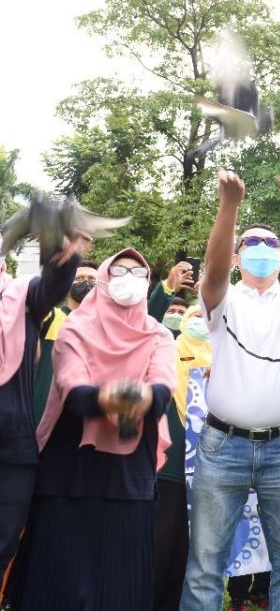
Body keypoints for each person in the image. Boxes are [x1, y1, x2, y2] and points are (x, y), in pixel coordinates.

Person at [180, 163, 280, 611]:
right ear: (238, 257)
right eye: (251, 243)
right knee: (205, 564)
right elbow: (214, 266)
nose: (262, 248)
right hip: (224, 446)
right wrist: (229, 208)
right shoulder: (222, 299)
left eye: (271, 243)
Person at [13, 248, 176, 609]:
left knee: (120, 588)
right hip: (68, 474)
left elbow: (163, 388)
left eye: (138, 273)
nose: (129, 279)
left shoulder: (159, 336)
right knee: (54, 586)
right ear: (103, 278)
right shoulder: (75, 329)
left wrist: (141, 400)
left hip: (128, 479)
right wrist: (114, 399)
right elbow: (75, 390)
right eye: (119, 271)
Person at [0, 238, 82, 601]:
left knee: (4, 543)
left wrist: (65, 252)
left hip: (12, 451)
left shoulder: (20, 297)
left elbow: (56, 283)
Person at [154, 304, 212, 611]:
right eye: (194, 317)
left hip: (209, 468)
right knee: (164, 537)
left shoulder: (223, 354)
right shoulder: (169, 352)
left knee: (190, 546)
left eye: (205, 317)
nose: (200, 323)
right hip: (171, 464)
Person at [32, 259, 96, 420]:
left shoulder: (108, 327)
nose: (86, 282)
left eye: (92, 279)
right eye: (79, 278)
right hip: (43, 416)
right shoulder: (53, 317)